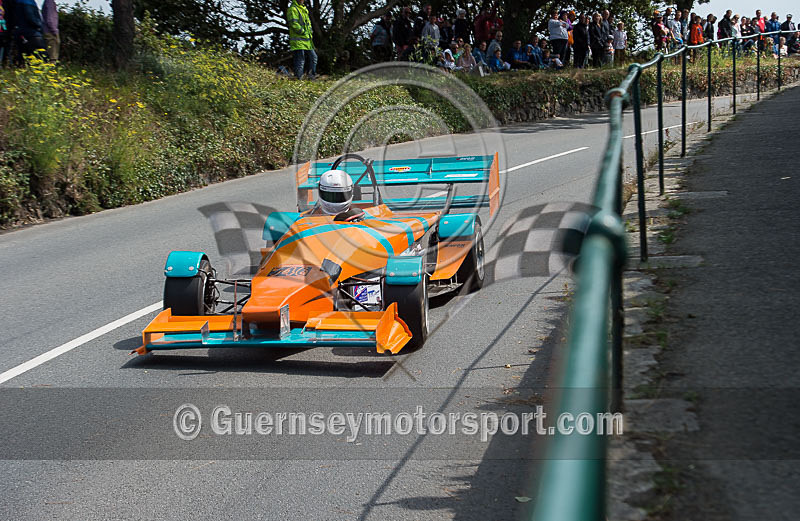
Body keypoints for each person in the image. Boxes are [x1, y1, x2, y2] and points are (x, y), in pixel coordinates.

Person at [287, 0, 316, 79]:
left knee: (313, 58)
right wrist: (303, 32)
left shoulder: (304, 9)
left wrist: (309, 32)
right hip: (298, 40)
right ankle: (298, 78)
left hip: (307, 40)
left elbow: (308, 23)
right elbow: (293, 24)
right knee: (300, 60)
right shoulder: (293, 9)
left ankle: (311, 78)